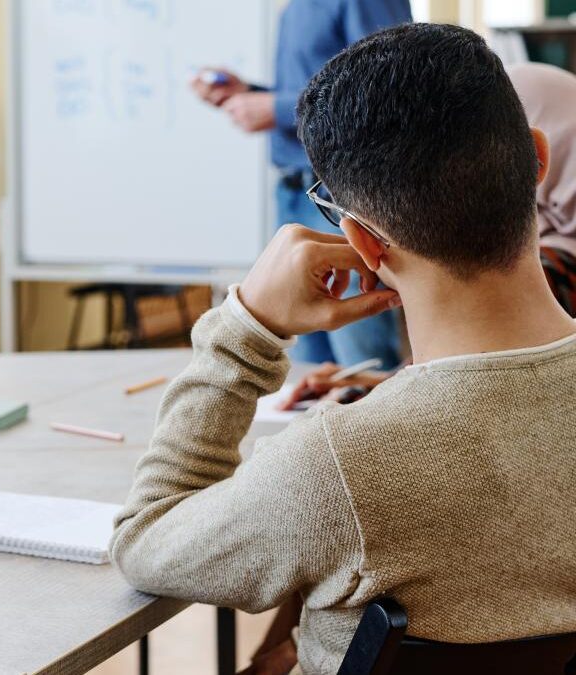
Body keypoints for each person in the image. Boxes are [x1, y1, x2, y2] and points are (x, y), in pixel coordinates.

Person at [112, 24, 576, 675]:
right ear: (536, 158)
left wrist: (246, 325)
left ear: (363, 240)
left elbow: (144, 539)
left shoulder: (336, 466)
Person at [282, 60, 576, 409]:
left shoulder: (522, 97)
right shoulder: (491, 102)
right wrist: (385, 383)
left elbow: (487, 326)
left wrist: (250, 325)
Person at [192, 0, 410, 370]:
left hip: (338, 197)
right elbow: (315, 93)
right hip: (294, 191)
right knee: (313, 366)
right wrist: (251, 93)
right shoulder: (295, 7)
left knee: (364, 366)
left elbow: (386, 92)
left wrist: (275, 107)